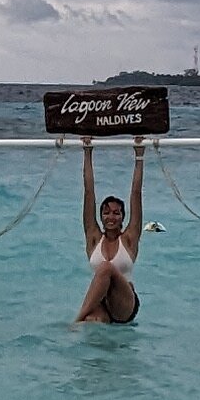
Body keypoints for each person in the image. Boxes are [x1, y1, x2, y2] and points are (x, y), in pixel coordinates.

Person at [75, 138, 146, 324]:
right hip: (102, 301)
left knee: (106, 267)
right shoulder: (93, 238)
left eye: (116, 213)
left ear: (123, 217)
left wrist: (139, 155)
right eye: (106, 213)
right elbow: (88, 192)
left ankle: (75, 320)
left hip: (124, 304)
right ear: (101, 217)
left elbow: (136, 193)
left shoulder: (129, 238)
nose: (111, 217)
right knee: (93, 323)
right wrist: (87, 151)